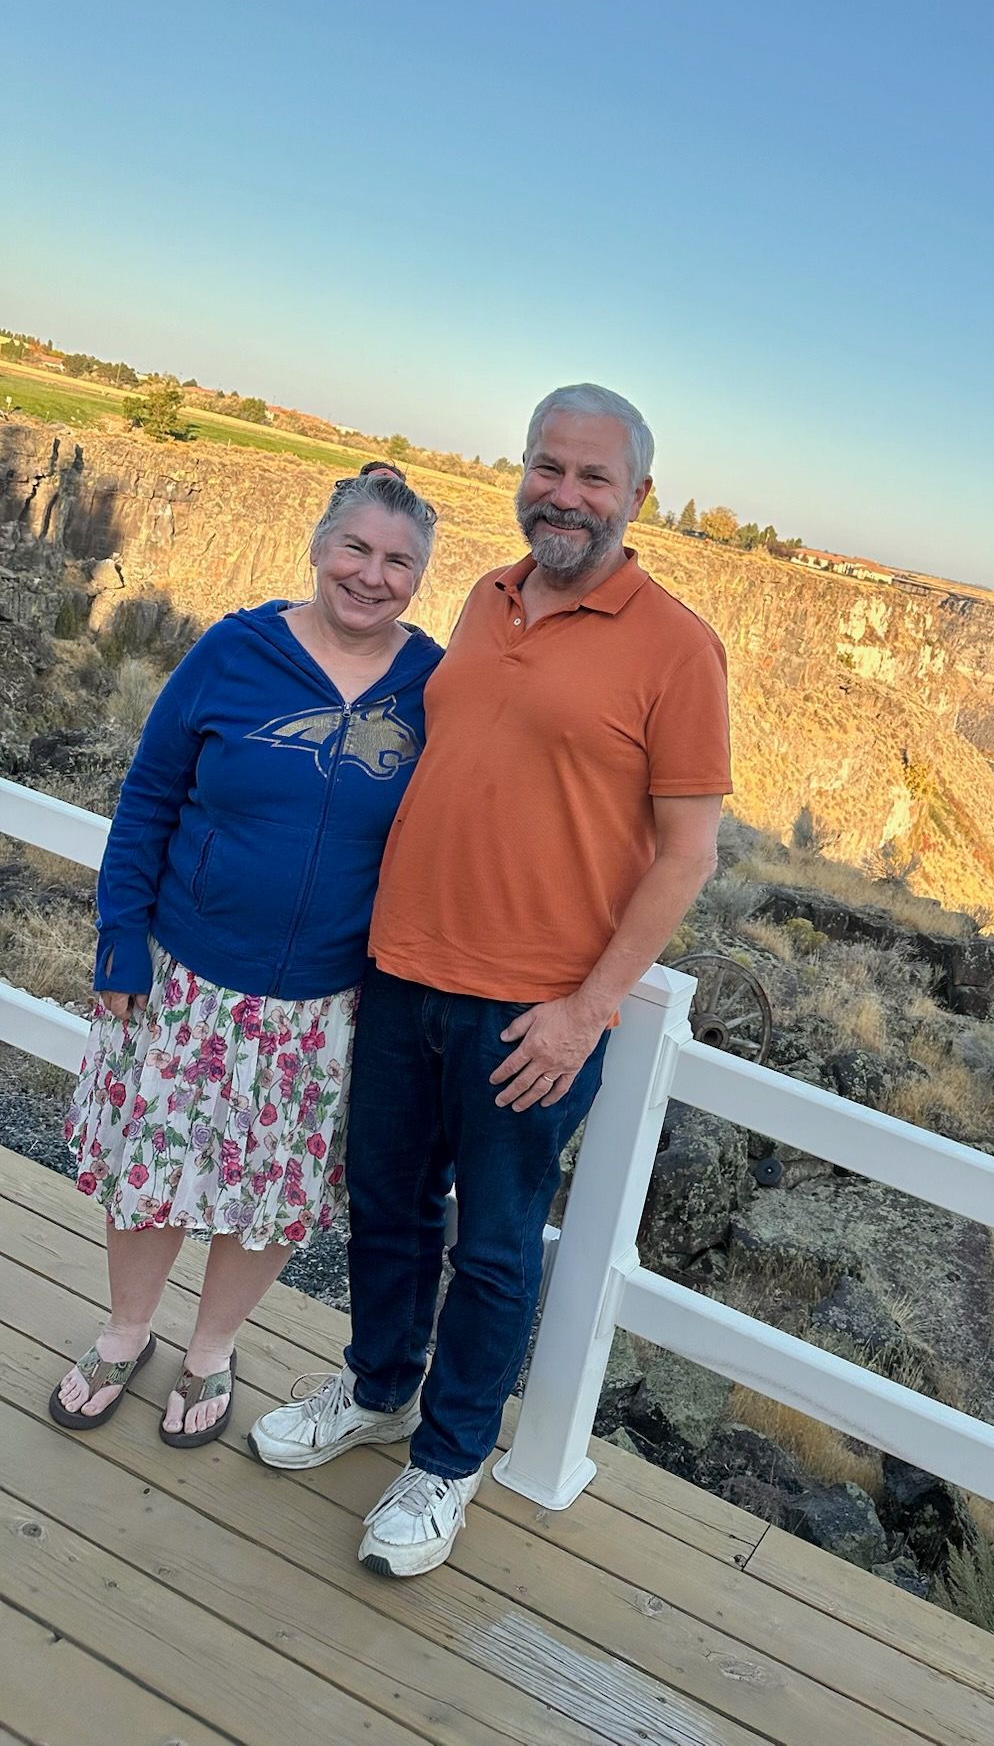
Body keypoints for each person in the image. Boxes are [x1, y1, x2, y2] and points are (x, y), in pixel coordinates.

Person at [250, 384, 731, 1577]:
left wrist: (587, 1008)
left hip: (533, 1012)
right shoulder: (482, 597)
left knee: (501, 1245)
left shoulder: (676, 644)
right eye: (547, 468)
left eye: (593, 477)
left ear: (638, 498)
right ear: (521, 472)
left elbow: (687, 854)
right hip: (404, 969)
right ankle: (376, 1390)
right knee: (389, 1206)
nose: (565, 495)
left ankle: (449, 1458)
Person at [52, 464, 441, 1447]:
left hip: (325, 1000)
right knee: (154, 1164)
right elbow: (147, 799)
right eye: (355, 546)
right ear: (318, 546)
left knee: (265, 1186)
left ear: (419, 579)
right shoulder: (236, 650)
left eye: (399, 561)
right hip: (186, 972)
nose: (371, 573)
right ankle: (125, 1329)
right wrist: (118, 945)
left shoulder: (433, 684)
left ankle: (211, 1350)